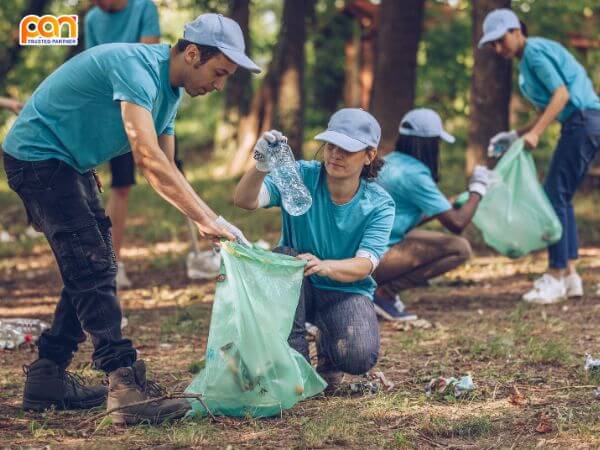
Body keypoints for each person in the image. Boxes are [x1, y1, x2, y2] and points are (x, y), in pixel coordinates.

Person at [2, 13, 259, 425]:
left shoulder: (170, 95)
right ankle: (124, 387)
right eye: (219, 72)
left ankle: (47, 375)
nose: (219, 84)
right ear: (192, 54)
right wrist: (206, 218)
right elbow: (146, 156)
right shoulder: (137, 67)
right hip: (38, 156)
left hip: (69, 163)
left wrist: (208, 220)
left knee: (93, 260)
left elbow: (166, 166)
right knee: (91, 264)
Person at [234, 108, 395, 390]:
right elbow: (245, 200)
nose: (335, 154)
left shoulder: (379, 204)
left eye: (347, 149)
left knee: (359, 356)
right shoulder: (299, 176)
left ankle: (329, 353)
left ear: (369, 156)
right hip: (297, 282)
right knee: (284, 256)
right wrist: (260, 164)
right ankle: (296, 365)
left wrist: (325, 265)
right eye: (331, 145)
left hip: (344, 291)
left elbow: (365, 265)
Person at [480, 9, 600, 304]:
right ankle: (571, 275)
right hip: (585, 122)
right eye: (492, 45)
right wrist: (517, 134)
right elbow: (548, 107)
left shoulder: (533, 52)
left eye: (500, 40)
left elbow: (561, 97)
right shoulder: (529, 61)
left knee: (551, 196)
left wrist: (535, 135)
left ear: (515, 30)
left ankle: (555, 274)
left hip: (582, 122)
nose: (497, 48)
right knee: (561, 196)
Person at [373, 108, 494, 321]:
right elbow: (457, 223)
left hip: (365, 248)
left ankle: (381, 293)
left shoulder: (391, 162)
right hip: (374, 257)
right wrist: (478, 190)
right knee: (459, 248)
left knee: (434, 241)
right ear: (427, 144)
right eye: (437, 142)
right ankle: (384, 293)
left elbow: (403, 215)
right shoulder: (416, 175)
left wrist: (447, 204)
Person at [85, 0, 162, 288]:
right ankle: (100, 262)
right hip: (102, 104)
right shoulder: (93, 18)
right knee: (85, 181)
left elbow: (148, 54)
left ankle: (113, 263)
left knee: (122, 186)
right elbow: (92, 62)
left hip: (135, 104)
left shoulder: (144, 8)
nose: (96, 3)